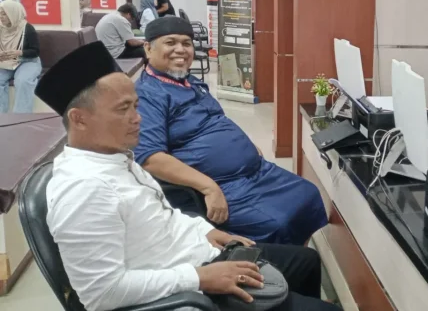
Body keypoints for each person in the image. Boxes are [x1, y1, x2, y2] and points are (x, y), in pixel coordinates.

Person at [34, 41, 339, 311]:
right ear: (79, 119)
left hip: (197, 253)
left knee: (307, 262)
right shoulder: (84, 190)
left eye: (136, 106)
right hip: (187, 287)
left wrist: (204, 231)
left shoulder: (116, 156)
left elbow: (164, 215)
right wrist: (199, 278)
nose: (138, 118)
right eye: (123, 109)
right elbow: (101, 294)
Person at [134, 17, 327, 245]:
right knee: (278, 222)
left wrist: (245, 144)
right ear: (148, 48)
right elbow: (150, 158)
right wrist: (209, 188)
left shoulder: (189, 81)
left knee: (307, 194)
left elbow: (216, 119)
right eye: (170, 42)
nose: (181, 50)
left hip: (257, 171)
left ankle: (300, 257)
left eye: (186, 43)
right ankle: (279, 262)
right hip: (224, 185)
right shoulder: (147, 95)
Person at [0, 0, 41, 113]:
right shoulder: (1, 28)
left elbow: (35, 51)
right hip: (6, 62)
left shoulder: (27, 28)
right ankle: (2, 117)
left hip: (28, 61)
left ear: (13, 13)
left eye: (4, 14)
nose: (1, 17)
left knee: (23, 81)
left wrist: (20, 53)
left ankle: (21, 117)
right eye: (0, 14)